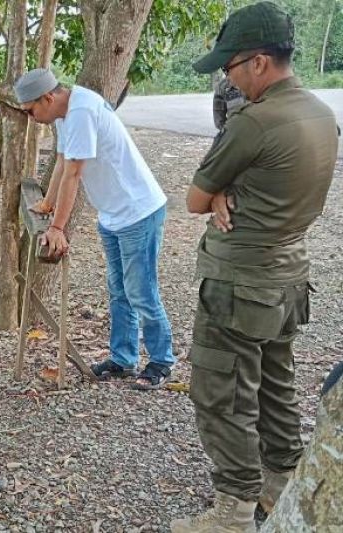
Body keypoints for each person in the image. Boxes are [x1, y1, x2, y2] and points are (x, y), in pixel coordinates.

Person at [173, 3, 338, 531]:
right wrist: (230, 188)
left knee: (222, 392)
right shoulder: (318, 112)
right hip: (288, 277)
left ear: (261, 62)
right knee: (274, 384)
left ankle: (234, 510)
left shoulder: (256, 121)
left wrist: (220, 189)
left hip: (239, 284)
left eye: (232, 66)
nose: (229, 77)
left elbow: (196, 200)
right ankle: (280, 482)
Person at [13, 68, 175, 390]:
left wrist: (57, 226)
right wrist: (47, 203)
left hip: (138, 211)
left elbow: (74, 173)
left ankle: (161, 360)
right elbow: (61, 161)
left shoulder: (82, 111)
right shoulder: (65, 112)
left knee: (141, 291)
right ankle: (123, 359)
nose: (32, 118)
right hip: (113, 215)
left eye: (32, 111)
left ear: (48, 97)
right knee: (119, 292)